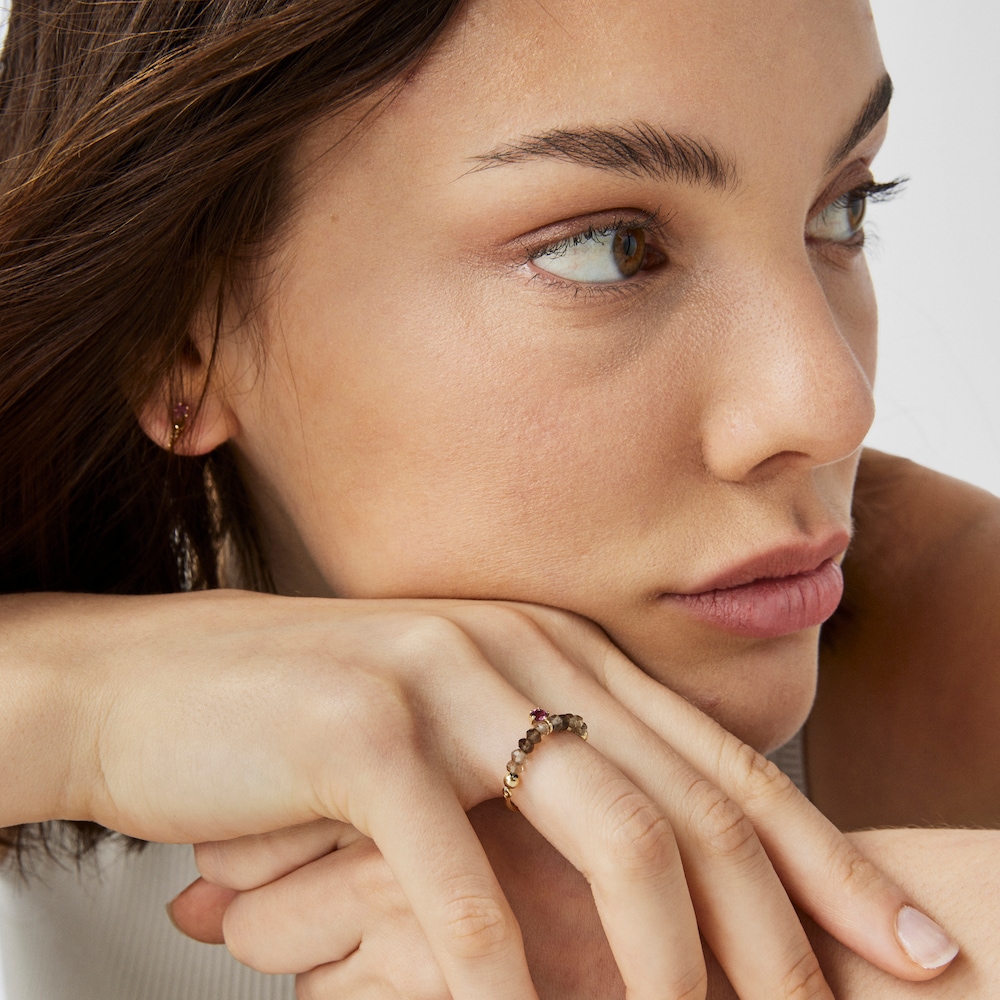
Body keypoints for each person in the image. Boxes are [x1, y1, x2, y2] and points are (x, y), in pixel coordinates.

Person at [0, 1, 997, 999]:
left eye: (843, 209)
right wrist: (66, 709)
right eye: (607, 247)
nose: (831, 406)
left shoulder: (952, 632)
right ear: (180, 341)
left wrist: (735, 946)